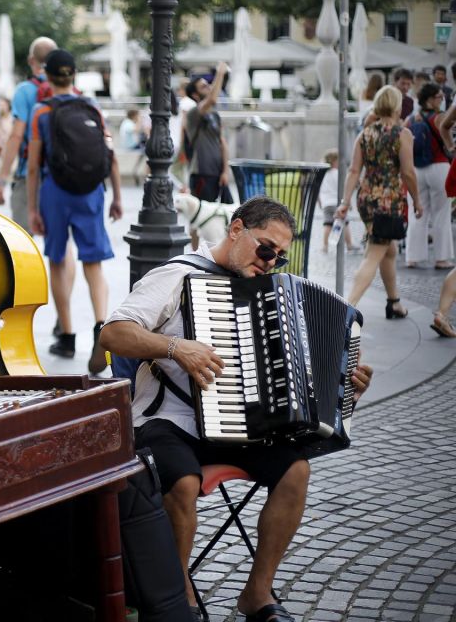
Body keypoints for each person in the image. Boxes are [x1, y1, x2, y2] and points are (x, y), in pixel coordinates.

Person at [98, 195, 374, 622]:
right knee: (185, 482)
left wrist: (343, 388)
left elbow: (299, 385)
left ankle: (257, 593)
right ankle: (178, 598)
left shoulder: (273, 294)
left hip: (241, 423)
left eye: (279, 257)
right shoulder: (176, 275)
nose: (270, 262)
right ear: (236, 229)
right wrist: (175, 347)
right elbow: (113, 334)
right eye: (266, 247)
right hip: (169, 420)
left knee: (295, 471)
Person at [26, 49, 121, 372]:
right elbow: (112, 157)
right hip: (91, 191)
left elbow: (33, 166)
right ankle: (100, 324)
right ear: (74, 76)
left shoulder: (41, 112)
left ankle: (66, 335)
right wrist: (118, 197)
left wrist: (32, 208)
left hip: (56, 191)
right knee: (93, 263)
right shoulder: (92, 107)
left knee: (57, 260)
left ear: (47, 76)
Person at [336, 85, 423, 316]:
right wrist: (417, 200)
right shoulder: (402, 134)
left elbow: (354, 170)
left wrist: (345, 201)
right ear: (396, 106)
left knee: (389, 249)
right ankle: (345, 309)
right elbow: (408, 173)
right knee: (375, 251)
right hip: (388, 201)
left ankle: (393, 302)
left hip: (366, 198)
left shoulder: (365, 133)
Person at [0, 36, 57, 231]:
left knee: (23, 240)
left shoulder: (24, 90)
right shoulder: (64, 87)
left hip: (29, 173)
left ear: (31, 61)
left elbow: (17, 135)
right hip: (60, 176)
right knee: (61, 246)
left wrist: (1, 180)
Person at [404, 83, 454, 270]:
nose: (442, 100)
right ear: (431, 99)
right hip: (439, 167)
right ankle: (441, 259)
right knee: (441, 215)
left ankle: (413, 258)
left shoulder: (411, 120)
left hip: (416, 169)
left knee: (416, 212)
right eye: (440, 97)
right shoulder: (440, 117)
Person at [184, 61, 231, 205]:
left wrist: (225, 170)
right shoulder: (193, 113)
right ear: (195, 95)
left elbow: (222, 142)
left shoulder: (214, 114)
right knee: (199, 217)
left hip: (216, 173)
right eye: (204, 86)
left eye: (208, 84)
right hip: (201, 173)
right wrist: (220, 73)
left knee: (222, 213)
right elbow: (212, 99)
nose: (209, 87)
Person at [316, 149, 359, 253]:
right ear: (334, 161)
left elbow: (318, 189)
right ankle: (349, 244)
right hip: (337, 203)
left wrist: (320, 202)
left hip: (326, 203)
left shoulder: (323, 174)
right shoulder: (337, 173)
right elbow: (344, 188)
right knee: (344, 223)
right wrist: (347, 202)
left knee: (327, 224)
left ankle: (325, 246)